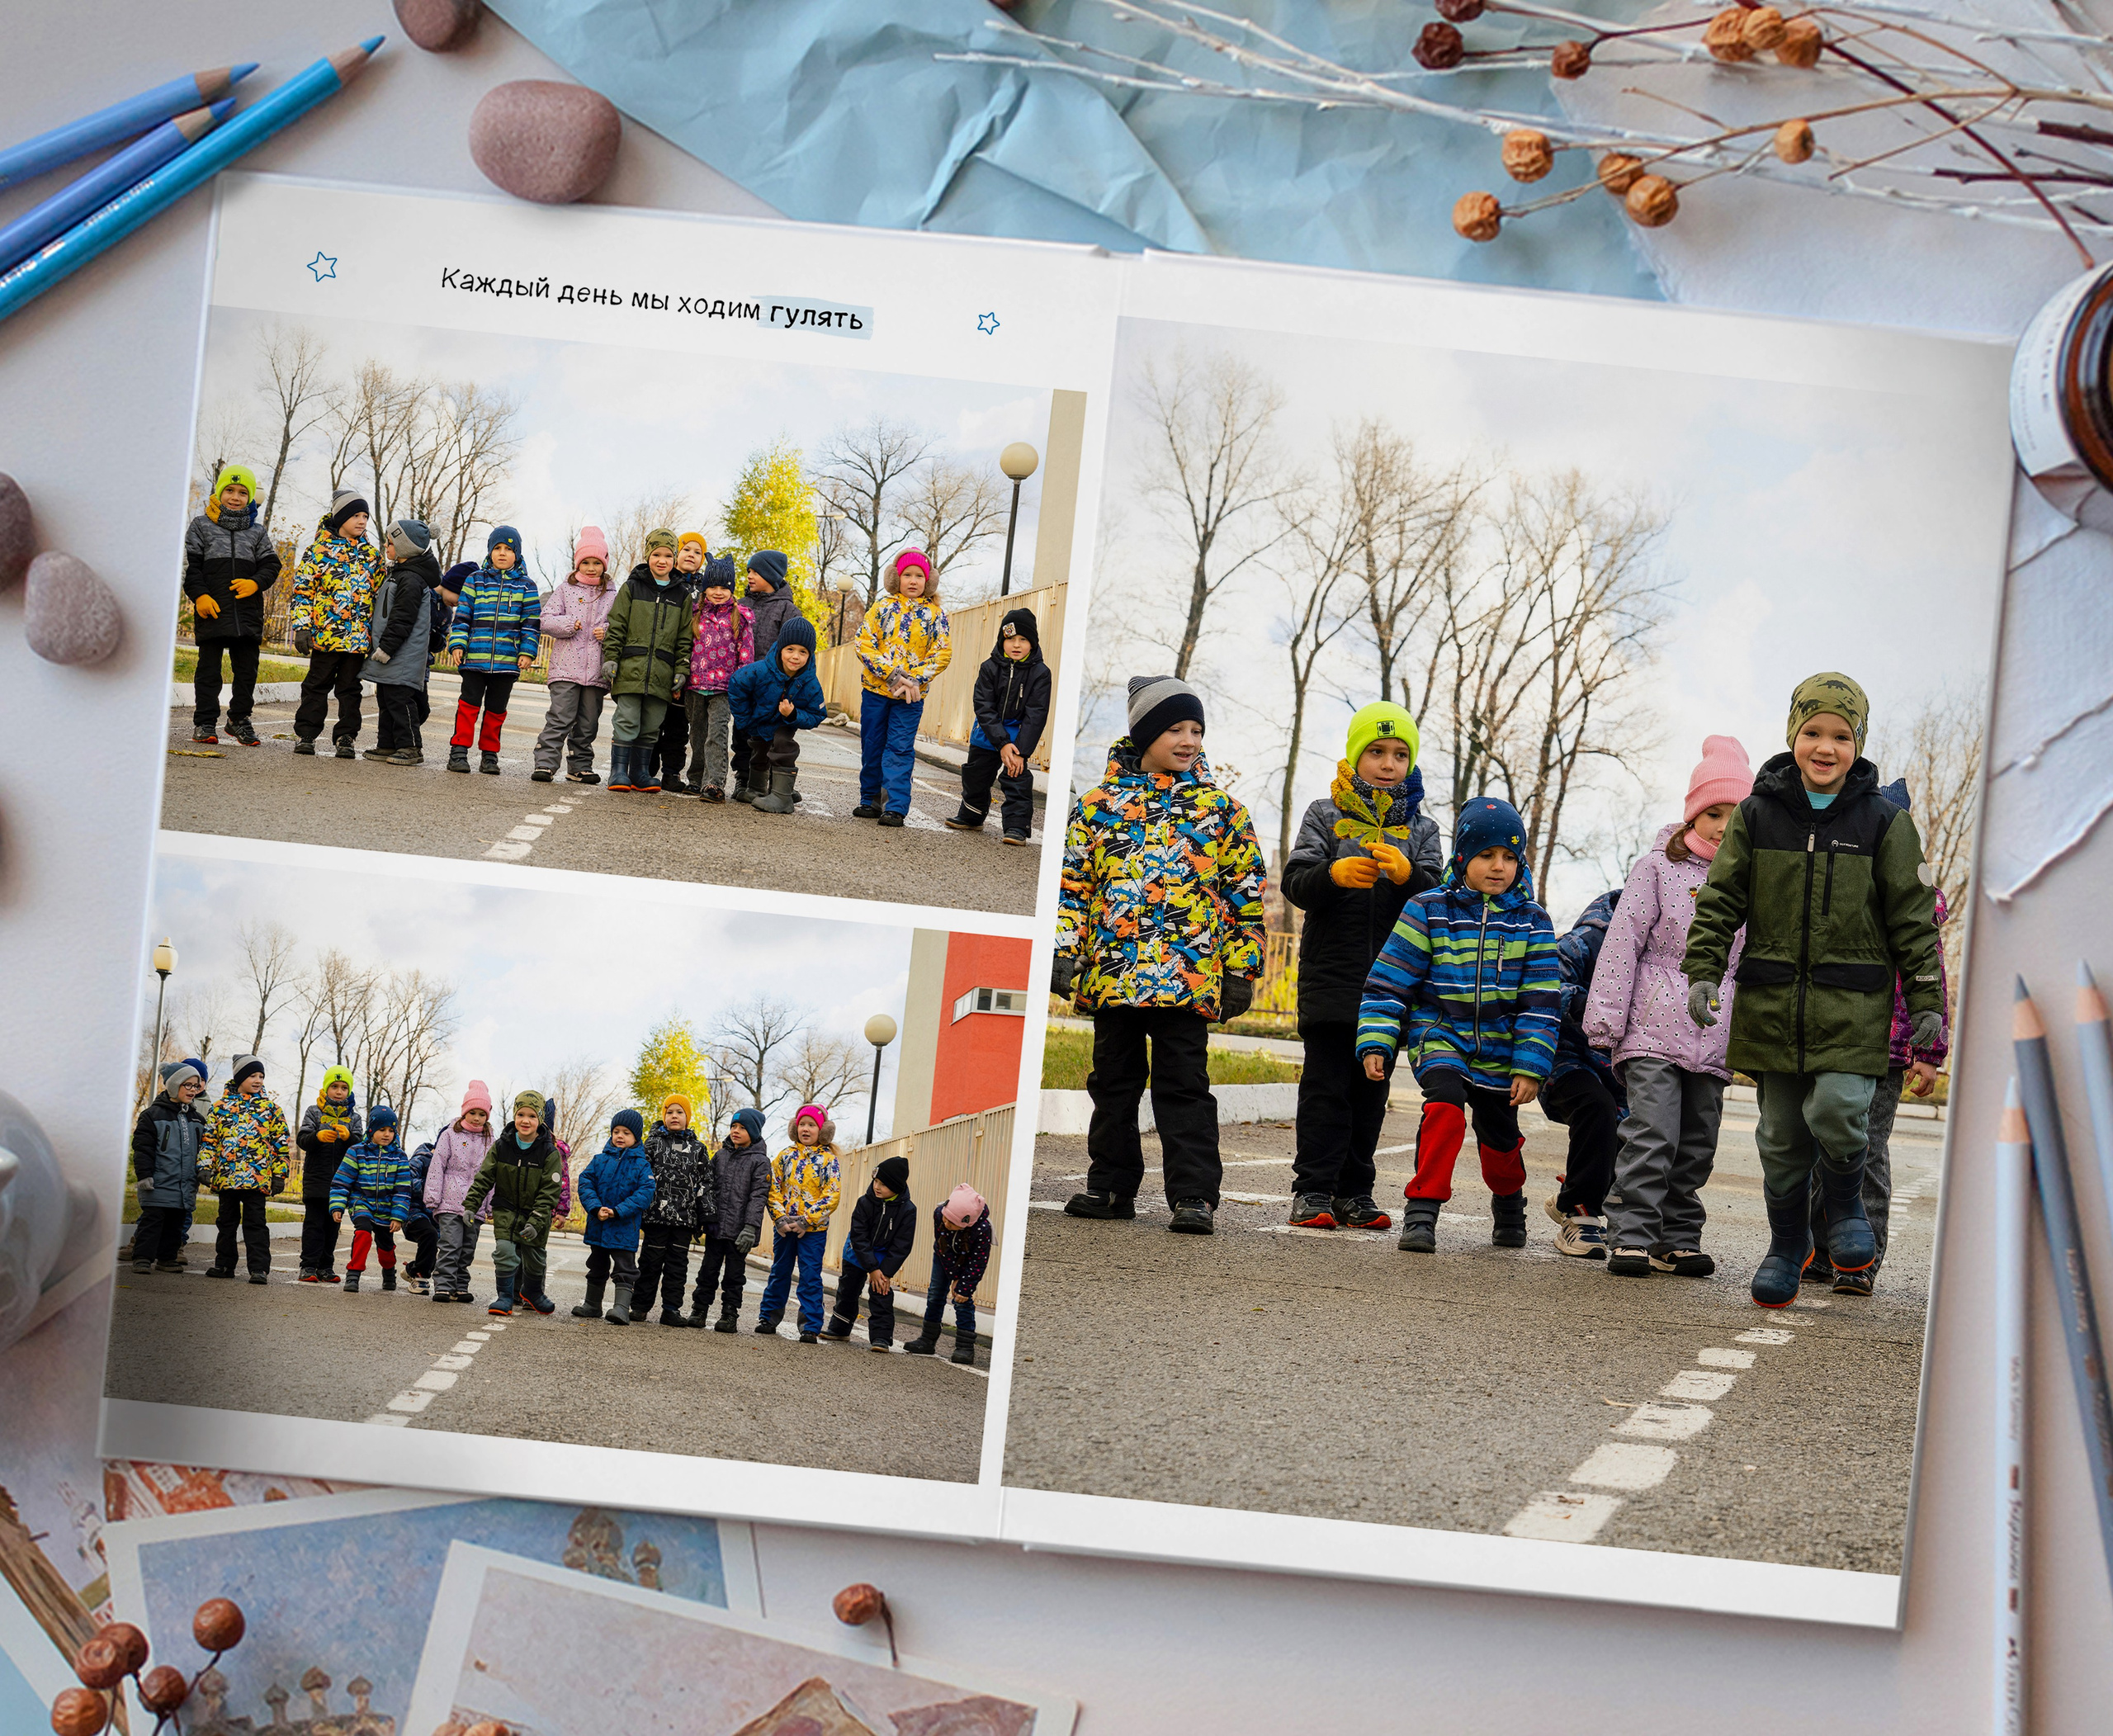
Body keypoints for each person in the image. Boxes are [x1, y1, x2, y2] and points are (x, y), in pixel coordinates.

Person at [1684, 676, 1945, 1307]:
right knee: (1779, 1136)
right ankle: (1785, 1243)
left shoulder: (1885, 822)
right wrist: (1703, 969)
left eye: (1841, 735)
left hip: (1853, 1005)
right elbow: (1720, 900)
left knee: (1835, 1108)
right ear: (1792, 735)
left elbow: (1914, 916)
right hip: (1773, 1003)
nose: (1826, 747)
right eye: (1813, 732)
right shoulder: (1756, 815)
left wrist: (1930, 998)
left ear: (1858, 743)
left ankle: (1849, 1202)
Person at [1056, 676, 1265, 1236]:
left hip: (1187, 977)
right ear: (1144, 733)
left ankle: (1193, 1194)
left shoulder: (1223, 811)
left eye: (1196, 728)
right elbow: (1073, 886)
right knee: (1114, 1084)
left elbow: (1246, 894)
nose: (1189, 738)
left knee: (1183, 1086)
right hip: (1115, 975)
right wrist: (1062, 951)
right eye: (1175, 727)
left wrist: (1242, 967)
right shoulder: (1097, 808)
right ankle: (1111, 1185)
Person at [1357, 797, 1561, 1256]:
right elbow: (1390, 982)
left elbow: (1542, 1002)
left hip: (1502, 1049)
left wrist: (1530, 1065)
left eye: (1509, 857)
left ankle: (1509, 1202)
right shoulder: (1428, 909)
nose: (1498, 867)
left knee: (1500, 1138)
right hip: (1440, 1036)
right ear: (1463, 858)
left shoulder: (1533, 921)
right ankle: (1423, 1211)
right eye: (1486, 855)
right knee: (1444, 1109)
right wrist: (1378, 1039)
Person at [1584, 736, 1754, 1276]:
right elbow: (1622, 943)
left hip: (1712, 1038)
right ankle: (1631, 1233)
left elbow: (1751, 963)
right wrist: (1606, 1018)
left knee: (1697, 1143)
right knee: (1653, 1132)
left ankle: (1677, 1236)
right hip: (1652, 1030)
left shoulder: (1751, 882)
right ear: (1692, 814)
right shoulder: (1658, 868)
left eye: (1737, 815)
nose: (1725, 825)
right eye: (1713, 812)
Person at [1279, 701, 1443, 1231]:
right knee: (1326, 1088)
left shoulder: (1422, 828)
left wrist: (1408, 877)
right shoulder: (1324, 815)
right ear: (1356, 755)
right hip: (1331, 978)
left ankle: (1355, 1191)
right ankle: (1313, 1191)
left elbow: (1439, 900)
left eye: (1400, 754)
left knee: (1370, 1091)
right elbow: (1297, 884)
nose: (1388, 763)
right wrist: (1333, 872)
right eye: (1376, 751)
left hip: (1393, 986)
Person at [1805, 788, 1952, 1295]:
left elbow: (1931, 980)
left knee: (1866, 1149)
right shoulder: (1838, 887)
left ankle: (1861, 1257)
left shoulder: (1916, 904)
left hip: (1888, 1053)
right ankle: (1820, 1251)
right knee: (1823, 1143)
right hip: (1835, 1039)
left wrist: (1929, 1053)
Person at [1539, 892, 1625, 1261]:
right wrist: (1593, 1009)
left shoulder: (1668, 946)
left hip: (1622, 1063)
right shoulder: (1589, 938)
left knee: (1636, 1129)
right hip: (1567, 1056)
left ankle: (1582, 1199)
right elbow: (1549, 977)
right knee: (1596, 1107)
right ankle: (1579, 1212)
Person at [182, 463, 281, 747]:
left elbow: (272, 564)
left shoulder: (258, 532)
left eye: (242, 492)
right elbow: (190, 567)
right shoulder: (201, 526)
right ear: (219, 492)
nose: (235, 497)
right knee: (209, 670)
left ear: (250, 497)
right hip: (213, 609)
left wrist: (255, 583)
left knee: (247, 671)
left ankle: (239, 720)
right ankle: (204, 722)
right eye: (229, 490)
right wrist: (199, 595)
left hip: (247, 614)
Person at [853, 549, 953, 827]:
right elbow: (863, 643)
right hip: (876, 691)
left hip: (911, 696)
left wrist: (914, 679)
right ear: (896, 578)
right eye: (907, 574)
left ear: (928, 580)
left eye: (919, 576)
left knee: (899, 748)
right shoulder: (881, 608)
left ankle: (895, 806)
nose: (912, 580)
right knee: (872, 744)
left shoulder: (936, 615)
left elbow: (942, 653)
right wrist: (892, 675)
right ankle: (870, 798)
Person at [289, 490, 383, 758]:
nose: (362, 521)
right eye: (356, 515)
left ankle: (346, 737)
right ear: (341, 517)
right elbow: (302, 590)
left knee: (351, 689)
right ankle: (306, 734)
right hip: (325, 636)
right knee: (316, 685)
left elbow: (381, 594)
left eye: (365, 516)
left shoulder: (372, 557)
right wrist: (302, 626)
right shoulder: (318, 551)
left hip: (357, 640)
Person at [946, 605, 1050, 845]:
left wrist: (1020, 751)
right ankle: (971, 815)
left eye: (1023, 639)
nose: (1016, 644)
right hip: (987, 733)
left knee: (1017, 779)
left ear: (1032, 643)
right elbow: (983, 706)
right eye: (1011, 638)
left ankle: (1016, 827)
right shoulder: (989, 667)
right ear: (1001, 640)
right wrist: (1000, 742)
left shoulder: (1040, 673)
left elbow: (1036, 714)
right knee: (976, 776)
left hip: (1017, 738)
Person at [602, 528, 694, 794]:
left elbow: (684, 638)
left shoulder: (682, 595)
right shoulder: (632, 587)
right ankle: (618, 771)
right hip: (630, 668)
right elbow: (616, 625)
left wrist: (681, 669)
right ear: (648, 556)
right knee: (627, 719)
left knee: (652, 724)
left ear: (674, 558)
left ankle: (640, 773)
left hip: (662, 675)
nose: (661, 560)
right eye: (656, 554)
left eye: (668, 555)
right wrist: (611, 658)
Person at [444, 524, 541, 775]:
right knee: (469, 706)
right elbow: (462, 617)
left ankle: (489, 755)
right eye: (497, 548)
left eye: (508, 549)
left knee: (496, 711)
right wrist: (458, 644)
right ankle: (458, 752)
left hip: (507, 662)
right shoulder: (475, 580)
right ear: (489, 551)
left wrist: (527, 651)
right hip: (475, 657)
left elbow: (530, 623)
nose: (502, 553)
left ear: (517, 554)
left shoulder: (526, 586)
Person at [462, 1090, 564, 1317]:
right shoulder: (501, 1146)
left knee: (535, 1257)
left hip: (535, 1214)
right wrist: (471, 1205)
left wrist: (537, 1220)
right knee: (505, 1252)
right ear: (514, 1116)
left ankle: (533, 1292)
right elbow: (484, 1178)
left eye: (532, 1116)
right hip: (506, 1209)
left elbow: (550, 1191)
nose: (525, 1121)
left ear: (540, 1120)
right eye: (520, 1115)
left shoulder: (549, 1152)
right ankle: (505, 1296)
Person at [532, 526, 615, 785]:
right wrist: (568, 624)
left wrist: (608, 632)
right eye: (586, 562)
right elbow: (545, 620)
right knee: (560, 717)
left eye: (596, 563)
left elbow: (621, 624)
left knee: (588, 723)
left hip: (596, 672)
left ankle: (580, 766)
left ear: (604, 564)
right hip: (566, 668)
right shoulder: (565, 590)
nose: (591, 568)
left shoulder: (612, 594)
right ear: (577, 563)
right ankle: (545, 763)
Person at [200, 1054, 291, 1284]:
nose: (258, 1080)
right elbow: (210, 1140)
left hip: (257, 1179)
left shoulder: (272, 1110)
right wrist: (204, 1166)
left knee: (256, 1224)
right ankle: (224, 1265)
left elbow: (281, 1144)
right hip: (227, 1178)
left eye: (261, 1076)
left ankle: (258, 1268)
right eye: (252, 1075)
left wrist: (279, 1174)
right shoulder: (219, 1108)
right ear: (239, 1077)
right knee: (226, 1223)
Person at [360, 520, 441, 766]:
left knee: (400, 701)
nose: (386, 545)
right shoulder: (399, 574)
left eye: (391, 542)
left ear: (406, 548)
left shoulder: (412, 580)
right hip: (392, 653)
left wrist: (386, 648)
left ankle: (410, 745)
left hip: (402, 654)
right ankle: (387, 743)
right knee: (386, 699)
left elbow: (402, 618)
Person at [756, 1105, 839, 1343]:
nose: (806, 1129)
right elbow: (773, 1189)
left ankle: (810, 1326)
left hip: (812, 1231)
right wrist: (780, 1219)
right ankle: (768, 1318)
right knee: (779, 1271)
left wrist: (806, 1220)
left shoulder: (829, 1161)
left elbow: (831, 1195)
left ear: (821, 1130)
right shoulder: (784, 1156)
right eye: (803, 1124)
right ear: (796, 1127)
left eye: (812, 1125)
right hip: (784, 1228)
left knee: (810, 1275)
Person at [727, 615, 825, 816]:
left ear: (810, 655)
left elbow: (818, 713)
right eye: (790, 649)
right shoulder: (762, 670)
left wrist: (794, 714)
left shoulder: (810, 683)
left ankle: (782, 797)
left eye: (803, 652)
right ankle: (756, 789)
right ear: (780, 648)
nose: (795, 657)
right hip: (760, 723)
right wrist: (744, 719)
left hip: (784, 724)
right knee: (760, 750)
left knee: (782, 746)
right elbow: (736, 684)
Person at [631, 1092, 713, 1327]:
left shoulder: (698, 1148)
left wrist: (705, 1215)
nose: (674, 1116)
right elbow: (640, 1174)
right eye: (670, 1112)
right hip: (655, 1216)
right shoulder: (652, 1143)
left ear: (687, 1117)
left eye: (680, 1112)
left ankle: (671, 1309)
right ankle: (639, 1306)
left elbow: (705, 1183)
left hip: (684, 1220)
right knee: (649, 1263)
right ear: (663, 1116)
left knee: (677, 1267)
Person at [687, 1106, 770, 1331]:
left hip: (740, 1232)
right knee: (707, 1272)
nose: (736, 1131)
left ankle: (729, 1314)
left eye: (742, 1128)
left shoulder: (760, 1162)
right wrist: (700, 1219)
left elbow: (758, 1196)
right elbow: (707, 1188)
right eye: (734, 1126)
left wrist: (751, 1227)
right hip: (715, 1228)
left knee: (734, 1276)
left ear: (753, 1133)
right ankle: (699, 1310)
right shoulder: (720, 1156)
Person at [825, 1155, 915, 1351]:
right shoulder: (864, 1202)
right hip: (857, 1251)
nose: (877, 1187)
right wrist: (871, 1267)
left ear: (897, 1187)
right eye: (876, 1181)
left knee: (881, 1291)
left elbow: (902, 1245)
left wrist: (885, 1272)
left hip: (884, 1255)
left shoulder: (908, 1210)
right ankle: (839, 1328)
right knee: (848, 1290)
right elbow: (859, 1235)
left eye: (884, 1184)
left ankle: (881, 1338)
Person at [575, 1109, 657, 1324]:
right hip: (599, 1225)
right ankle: (592, 1304)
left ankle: (621, 1308)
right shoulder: (599, 1160)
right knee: (596, 1265)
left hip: (624, 1228)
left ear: (636, 1137)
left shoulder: (642, 1165)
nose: (620, 1136)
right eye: (616, 1131)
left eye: (626, 1133)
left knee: (625, 1269)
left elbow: (645, 1193)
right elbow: (585, 1183)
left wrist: (618, 1210)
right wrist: (595, 1207)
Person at [683, 556, 754, 803]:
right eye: (713, 587)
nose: (718, 592)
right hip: (695, 685)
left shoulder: (740, 617)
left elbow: (746, 656)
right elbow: (685, 646)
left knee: (717, 734)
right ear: (705, 588)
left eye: (724, 587)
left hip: (724, 689)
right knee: (698, 734)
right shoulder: (694, 614)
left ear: (732, 588)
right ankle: (696, 779)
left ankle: (714, 783)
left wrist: (742, 687)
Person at [130, 1061, 206, 1274]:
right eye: (187, 1085)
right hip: (158, 1182)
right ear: (174, 1086)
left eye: (196, 1086)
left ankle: (167, 1258)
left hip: (184, 1184)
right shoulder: (152, 1116)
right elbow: (143, 1148)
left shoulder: (197, 1119)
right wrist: (144, 1175)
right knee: (152, 1222)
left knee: (176, 1224)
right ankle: (142, 1258)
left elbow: (203, 1152)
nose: (193, 1090)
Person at [424, 1081, 496, 1304]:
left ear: (487, 1115)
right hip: (449, 1202)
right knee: (450, 1245)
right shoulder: (450, 1135)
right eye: (472, 1112)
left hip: (476, 1205)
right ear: (464, 1111)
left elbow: (493, 1174)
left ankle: (460, 1286)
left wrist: (492, 1203)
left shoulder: (491, 1141)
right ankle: (444, 1286)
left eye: (481, 1114)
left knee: (467, 1249)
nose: (476, 1118)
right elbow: (437, 1165)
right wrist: (433, 1196)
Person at [905, 1184, 991, 1366]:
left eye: (952, 1222)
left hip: (969, 1263)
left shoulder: (982, 1230)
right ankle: (927, 1340)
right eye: (946, 1217)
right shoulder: (939, 1214)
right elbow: (941, 1242)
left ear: (966, 1223)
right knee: (935, 1293)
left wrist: (962, 1283)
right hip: (944, 1255)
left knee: (962, 1298)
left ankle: (965, 1347)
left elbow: (978, 1262)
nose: (945, 1222)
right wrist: (953, 1275)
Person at [651, 532, 711, 791]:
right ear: (677, 554)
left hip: (692, 664)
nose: (691, 555)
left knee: (678, 726)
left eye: (697, 552)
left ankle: (672, 772)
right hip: (663, 659)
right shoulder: (666, 582)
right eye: (686, 549)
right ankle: (646, 767)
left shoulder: (708, 589)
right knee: (654, 719)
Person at [330, 1105, 411, 1293]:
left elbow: (403, 1190)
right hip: (362, 1203)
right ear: (371, 1130)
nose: (386, 1134)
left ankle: (389, 1271)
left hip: (387, 1208)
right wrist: (337, 1206)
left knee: (386, 1247)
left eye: (391, 1130)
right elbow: (342, 1182)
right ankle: (353, 1274)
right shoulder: (356, 1152)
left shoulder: (399, 1157)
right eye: (381, 1130)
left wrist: (398, 1215)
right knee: (363, 1234)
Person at [295, 1063, 363, 1284]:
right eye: (334, 1086)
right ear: (326, 1088)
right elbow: (303, 1139)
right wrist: (318, 1136)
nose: (339, 1091)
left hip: (342, 1183)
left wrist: (348, 1138)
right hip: (316, 1178)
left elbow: (360, 1146)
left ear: (349, 1091)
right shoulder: (314, 1112)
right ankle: (308, 1266)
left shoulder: (354, 1118)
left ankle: (326, 1266)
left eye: (344, 1087)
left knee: (332, 1226)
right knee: (314, 1224)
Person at [400, 1133, 441, 1295]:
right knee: (429, 1234)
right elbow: (407, 1180)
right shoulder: (422, 1158)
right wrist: (430, 1186)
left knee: (439, 1250)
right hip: (414, 1212)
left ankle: (412, 1269)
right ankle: (420, 1276)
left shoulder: (453, 1164)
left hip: (436, 1216)